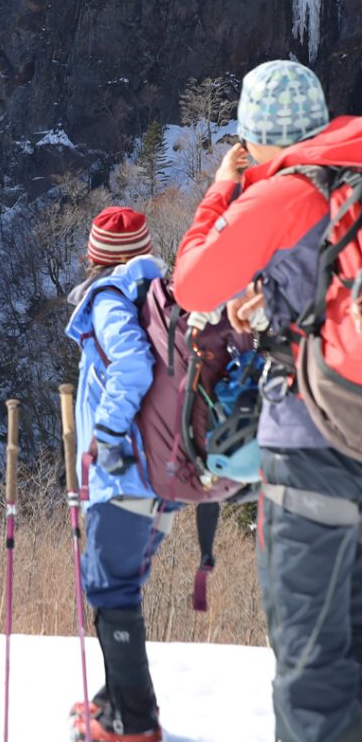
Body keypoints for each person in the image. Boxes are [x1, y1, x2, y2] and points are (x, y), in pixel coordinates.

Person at [173, 60, 362, 742]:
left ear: (253, 138)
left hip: (314, 443)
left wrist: (223, 189)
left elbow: (192, 285)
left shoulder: (284, 195)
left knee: (312, 666)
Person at [65, 206, 173, 742]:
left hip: (123, 474)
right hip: (156, 476)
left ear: (95, 257)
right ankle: (114, 704)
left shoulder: (110, 299)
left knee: (112, 593)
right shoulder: (158, 295)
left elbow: (132, 366)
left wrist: (104, 436)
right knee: (115, 589)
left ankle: (133, 721)